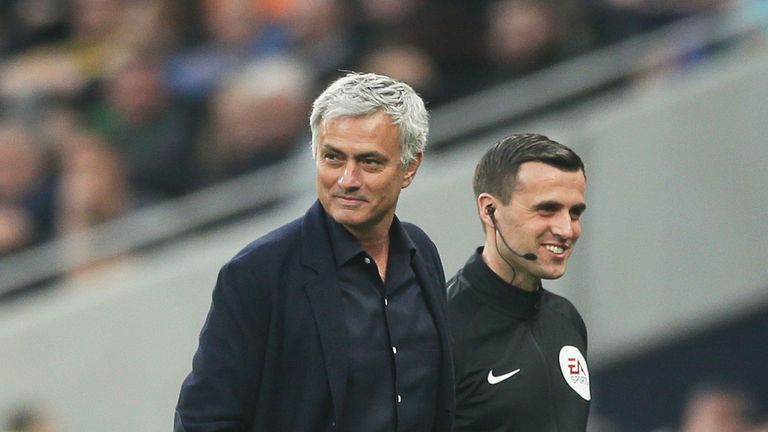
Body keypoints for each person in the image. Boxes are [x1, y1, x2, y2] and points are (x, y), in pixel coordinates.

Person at [174, 72, 454, 432]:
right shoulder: (258, 273)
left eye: (369, 162)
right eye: (333, 158)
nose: (347, 180)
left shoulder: (421, 253)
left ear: (410, 167)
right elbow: (204, 419)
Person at [447, 133, 589, 431]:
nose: (567, 229)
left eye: (575, 212)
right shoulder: (440, 329)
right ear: (490, 211)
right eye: (547, 209)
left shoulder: (566, 319)